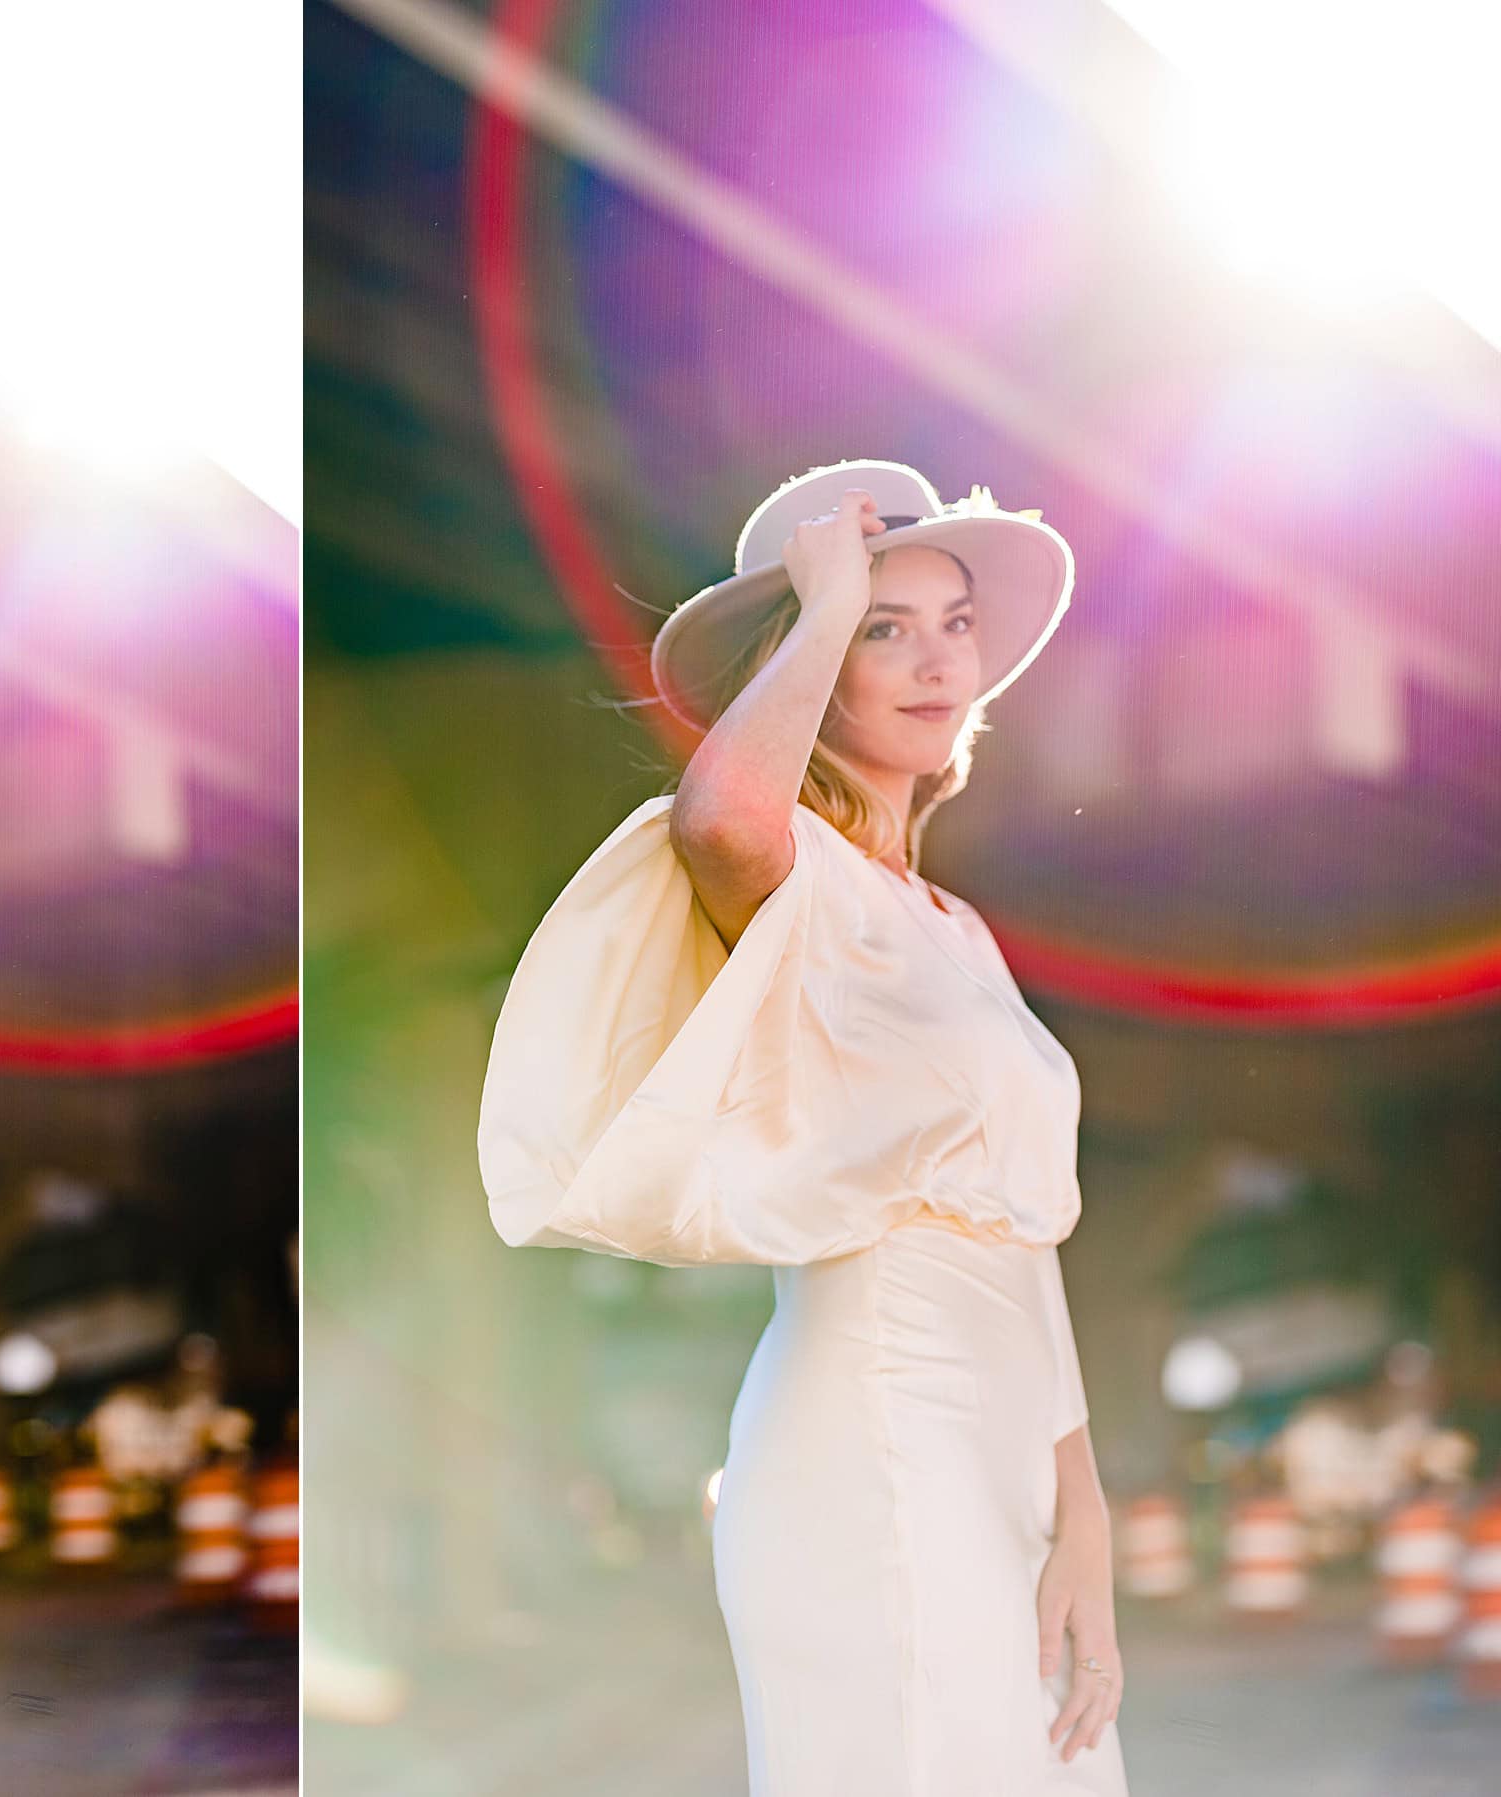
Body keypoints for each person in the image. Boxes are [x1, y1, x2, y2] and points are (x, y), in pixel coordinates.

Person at [479, 461, 1128, 1792]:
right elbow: (719, 814)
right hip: (872, 1425)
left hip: (1005, 1452)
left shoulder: (958, 933)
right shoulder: (793, 881)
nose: (937, 657)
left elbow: (1024, 1232)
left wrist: (1087, 1526)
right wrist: (823, 601)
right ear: (814, 655)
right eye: (885, 625)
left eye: (956, 621)